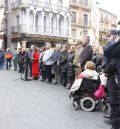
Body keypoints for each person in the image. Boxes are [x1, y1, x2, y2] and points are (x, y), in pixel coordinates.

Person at [104, 30, 120, 129]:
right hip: (114, 78)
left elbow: (108, 53)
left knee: (115, 105)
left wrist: (116, 41)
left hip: (115, 80)